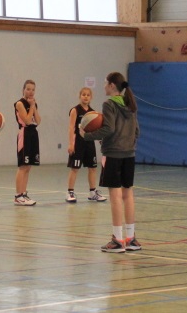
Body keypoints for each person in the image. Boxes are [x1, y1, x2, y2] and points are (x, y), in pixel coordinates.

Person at [80, 72, 139, 253]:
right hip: (129, 154)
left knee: (115, 197)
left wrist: (87, 135)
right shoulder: (129, 103)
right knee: (128, 194)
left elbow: (109, 129)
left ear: (112, 85)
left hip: (113, 154)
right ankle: (131, 239)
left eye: (106, 83)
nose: (104, 86)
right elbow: (136, 131)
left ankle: (117, 240)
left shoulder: (109, 104)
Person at [66, 87, 107, 203]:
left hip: (89, 142)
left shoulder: (93, 113)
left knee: (92, 168)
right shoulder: (75, 110)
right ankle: (70, 192)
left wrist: (100, 139)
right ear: (80, 96)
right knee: (75, 168)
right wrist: (71, 144)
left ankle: (93, 192)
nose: (85, 96)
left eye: (88, 95)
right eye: (83, 94)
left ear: (91, 97)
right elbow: (71, 128)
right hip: (78, 143)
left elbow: (96, 129)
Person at [13, 79, 41, 206]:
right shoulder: (20, 103)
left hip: (33, 133)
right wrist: (32, 107)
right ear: (23, 90)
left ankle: (24, 193)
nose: (31, 92)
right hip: (24, 133)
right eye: (28, 89)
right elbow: (28, 120)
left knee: (28, 166)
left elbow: (38, 121)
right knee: (23, 166)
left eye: (33, 89)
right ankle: (18, 195)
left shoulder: (33, 103)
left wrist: (34, 106)